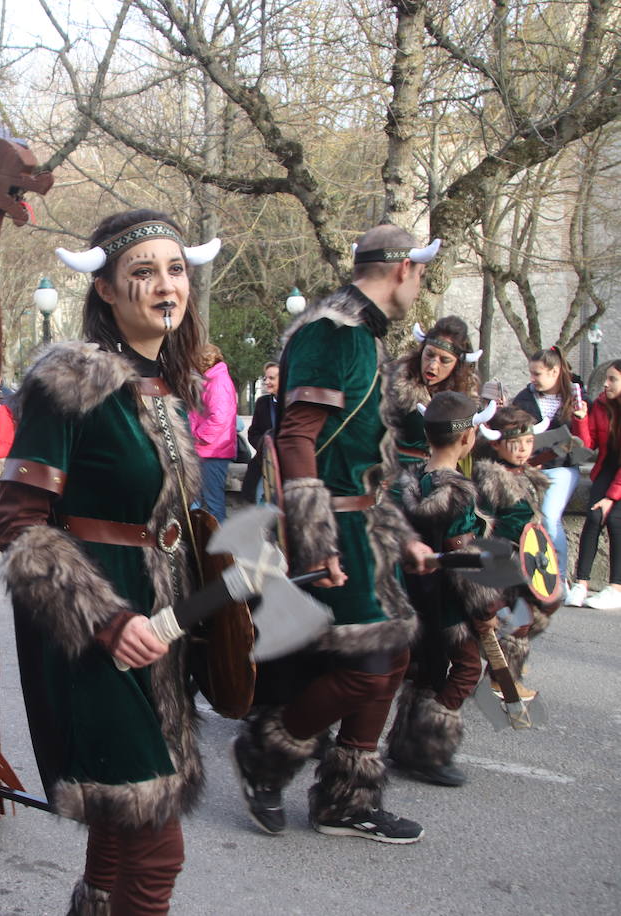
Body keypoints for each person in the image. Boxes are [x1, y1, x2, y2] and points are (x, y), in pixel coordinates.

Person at [0, 209, 220, 913]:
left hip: (162, 634)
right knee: (157, 845)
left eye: (176, 269)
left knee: (125, 828)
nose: (165, 285)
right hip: (92, 637)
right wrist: (105, 619)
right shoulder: (69, 381)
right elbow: (20, 526)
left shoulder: (163, 388)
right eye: (144, 272)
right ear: (106, 290)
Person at [232, 224, 436, 845]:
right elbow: (294, 436)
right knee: (369, 668)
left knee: (392, 654)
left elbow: (363, 456)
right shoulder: (334, 331)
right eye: (419, 272)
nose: (419, 283)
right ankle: (267, 754)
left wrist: (403, 536)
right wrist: (315, 540)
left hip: (365, 523)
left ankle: (348, 801)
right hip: (336, 527)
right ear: (402, 269)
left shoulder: (364, 334)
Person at [384, 392, 500, 787]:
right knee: (467, 668)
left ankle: (403, 745)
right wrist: (486, 606)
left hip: (412, 591)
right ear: (468, 438)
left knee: (427, 672)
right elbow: (463, 558)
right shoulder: (458, 492)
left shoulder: (408, 480)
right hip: (448, 599)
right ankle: (429, 749)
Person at [473, 406, 552, 679]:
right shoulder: (491, 478)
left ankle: (501, 665)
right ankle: (502, 677)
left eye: (528, 442)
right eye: (514, 443)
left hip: (528, 560)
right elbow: (482, 524)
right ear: (496, 444)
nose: (522, 449)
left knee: (539, 609)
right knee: (516, 620)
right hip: (503, 561)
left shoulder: (528, 475)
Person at [512, 347, 585, 582]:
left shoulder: (576, 398)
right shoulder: (525, 398)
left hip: (562, 466)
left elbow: (583, 439)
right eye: (531, 373)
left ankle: (559, 577)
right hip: (529, 466)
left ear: (554, 372)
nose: (532, 379)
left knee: (549, 516)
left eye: (537, 374)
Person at [381, 316, 480, 468]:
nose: (433, 365)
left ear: (457, 365)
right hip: (395, 473)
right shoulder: (391, 384)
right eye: (429, 355)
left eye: (444, 360)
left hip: (442, 474)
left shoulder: (467, 395)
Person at [568, 360, 621, 609]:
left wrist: (611, 497)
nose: (606, 384)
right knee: (593, 517)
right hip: (607, 468)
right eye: (606, 379)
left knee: (614, 519)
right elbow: (588, 445)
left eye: (613, 379)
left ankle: (616, 587)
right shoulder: (600, 404)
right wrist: (580, 418)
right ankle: (581, 584)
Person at [188, 343, 237, 520]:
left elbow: (219, 418)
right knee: (199, 501)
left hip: (213, 451)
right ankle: (201, 543)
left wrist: (196, 436)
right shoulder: (213, 379)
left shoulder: (218, 382)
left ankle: (219, 546)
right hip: (208, 450)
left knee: (213, 503)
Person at [240, 362, 280, 503]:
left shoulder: (293, 403)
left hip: (285, 468)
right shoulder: (262, 402)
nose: (267, 382)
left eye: (272, 378)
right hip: (263, 464)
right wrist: (264, 444)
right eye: (266, 378)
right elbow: (253, 433)